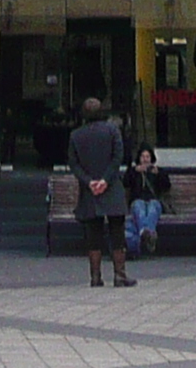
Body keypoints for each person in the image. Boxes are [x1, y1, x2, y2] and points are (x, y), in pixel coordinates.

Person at [66, 95, 134, 286]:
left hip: (90, 191)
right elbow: (118, 156)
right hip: (111, 187)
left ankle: (95, 277)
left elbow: (74, 163)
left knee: (93, 232)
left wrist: (89, 182)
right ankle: (120, 275)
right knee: (117, 230)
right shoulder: (112, 130)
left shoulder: (76, 135)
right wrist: (105, 180)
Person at [123, 144, 171, 257]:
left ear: (151, 158)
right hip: (138, 200)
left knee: (152, 208)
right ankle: (149, 234)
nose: (145, 159)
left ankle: (143, 232)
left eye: (147, 157)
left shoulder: (158, 171)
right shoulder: (133, 171)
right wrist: (134, 171)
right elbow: (125, 183)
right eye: (143, 157)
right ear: (139, 159)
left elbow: (166, 187)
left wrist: (159, 174)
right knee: (139, 207)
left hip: (153, 201)